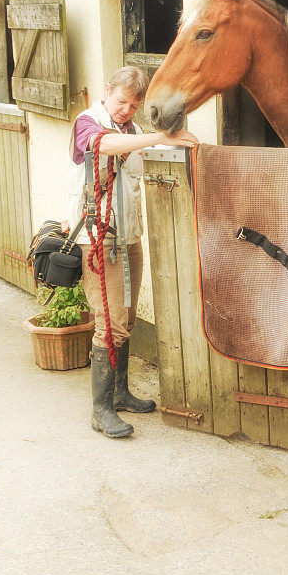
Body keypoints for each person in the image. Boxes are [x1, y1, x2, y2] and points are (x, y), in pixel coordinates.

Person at [67, 67, 198, 438]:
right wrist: (157, 135)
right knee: (110, 323)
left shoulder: (134, 131)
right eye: (122, 101)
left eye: (133, 104)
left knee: (125, 317)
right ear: (107, 91)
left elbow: (147, 149)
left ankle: (121, 392)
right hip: (99, 237)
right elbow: (103, 146)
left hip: (128, 235)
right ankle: (100, 409)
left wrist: (182, 140)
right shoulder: (87, 122)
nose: (126, 109)